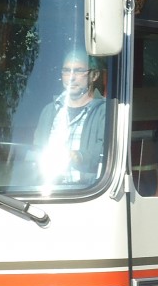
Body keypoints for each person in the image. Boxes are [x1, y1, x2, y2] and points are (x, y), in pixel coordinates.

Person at [34, 50, 107, 185]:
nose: (71, 77)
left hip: (89, 194)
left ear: (94, 75)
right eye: (66, 71)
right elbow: (36, 151)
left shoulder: (105, 111)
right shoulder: (49, 111)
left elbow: (106, 155)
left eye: (79, 71)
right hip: (50, 190)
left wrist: (77, 156)